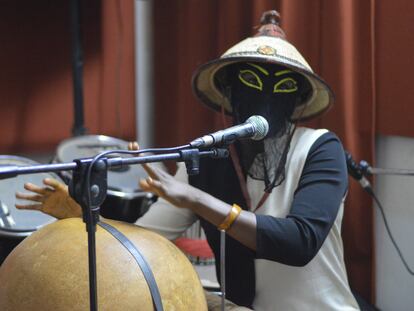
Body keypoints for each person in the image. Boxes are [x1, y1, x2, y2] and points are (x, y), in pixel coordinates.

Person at [16, 10, 360, 310]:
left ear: (298, 97)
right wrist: (80, 217)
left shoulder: (320, 149)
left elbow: (299, 242)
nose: (265, 95)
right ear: (228, 90)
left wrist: (197, 199)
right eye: (251, 81)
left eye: (282, 86)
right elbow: (138, 244)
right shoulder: (207, 160)